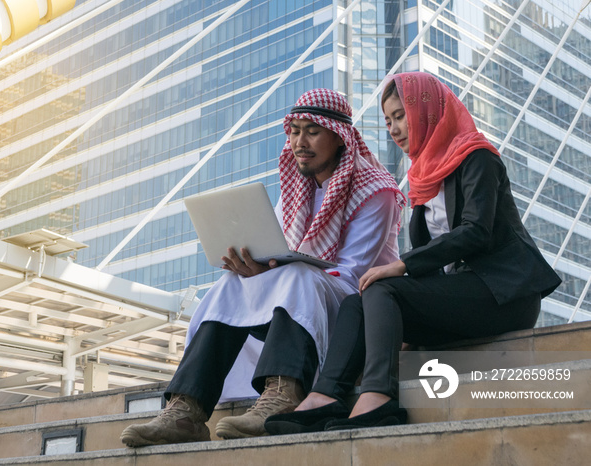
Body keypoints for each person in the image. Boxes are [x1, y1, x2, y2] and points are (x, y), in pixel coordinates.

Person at [265, 72, 562, 435]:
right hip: (462, 295)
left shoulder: (477, 156)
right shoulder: (424, 176)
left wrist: (402, 266)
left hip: (503, 294)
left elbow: (476, 232)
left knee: (382, 286)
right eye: (388, 120)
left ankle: (379, 395)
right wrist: (398, 315)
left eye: (401, 116)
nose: (393, 128)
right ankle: (326, 394)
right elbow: (429, 266)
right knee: (358, 300)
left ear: (428, 110)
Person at [120, 89, 406, 447]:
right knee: (231, 283)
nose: (299, 142)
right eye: (294, 131)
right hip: (300, 305)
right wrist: (259, 271)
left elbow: (351, 275)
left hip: (354, 310)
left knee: (297, 276)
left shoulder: (376, 191)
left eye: (312, 131)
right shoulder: (299, 188)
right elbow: (288, 257)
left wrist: (279, 274)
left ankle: (283, 395)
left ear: (339, 136)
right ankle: (186, 410)